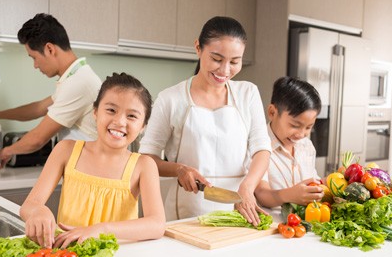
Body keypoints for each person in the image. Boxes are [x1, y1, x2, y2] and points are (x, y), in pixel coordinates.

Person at [138, 16, 272, 226]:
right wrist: (179, 170)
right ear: (198, 48)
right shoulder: (170, 99)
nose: (225, 70)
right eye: (217, 59)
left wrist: (248, 186)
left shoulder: (248, 93)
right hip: (187, 213)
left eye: (235, 62)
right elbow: (146, 158)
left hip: (239, 209)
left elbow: (262, 150)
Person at [20, 72, 166, 249]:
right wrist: (38, 211)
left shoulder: (144, 165)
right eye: (111, 110)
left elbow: (157, 225)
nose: (120, 121)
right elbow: (28, 206)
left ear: (143, 126)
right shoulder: (66, 150)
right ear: (95, 112)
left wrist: (101, 229)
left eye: (132, 116)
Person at [0, 13, 102, 171]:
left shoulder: (78, 82)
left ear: (50, 49)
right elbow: (38, 108)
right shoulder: (76, 76)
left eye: (33, 57)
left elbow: (38, 138)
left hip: (91, 175)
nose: (35, 66)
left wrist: (5, 152)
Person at [255, 76, 324, 207]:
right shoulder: (258, 145)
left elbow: (313, 182)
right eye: (295, 125)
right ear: (272, 112)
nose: (301, 134)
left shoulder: (306, 146)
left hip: (301, 225)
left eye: (309, 127)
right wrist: (290, 195)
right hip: (271, 223)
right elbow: (261, 193)